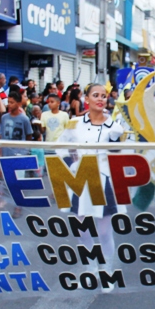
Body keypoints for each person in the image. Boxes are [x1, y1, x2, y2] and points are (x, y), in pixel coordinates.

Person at [56, 84, 126, 285]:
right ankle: (91, 268)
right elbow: (60, 147)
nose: (100, 99)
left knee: (104, 231)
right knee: (81, 229)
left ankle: (107, 270)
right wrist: (71, 164)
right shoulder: (74, 123)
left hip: (103, 179)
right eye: (96, 95)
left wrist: (117, 136)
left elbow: (120, 152)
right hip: (80, 178)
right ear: (86, 99)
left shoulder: (114, 125)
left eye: (104, 96)